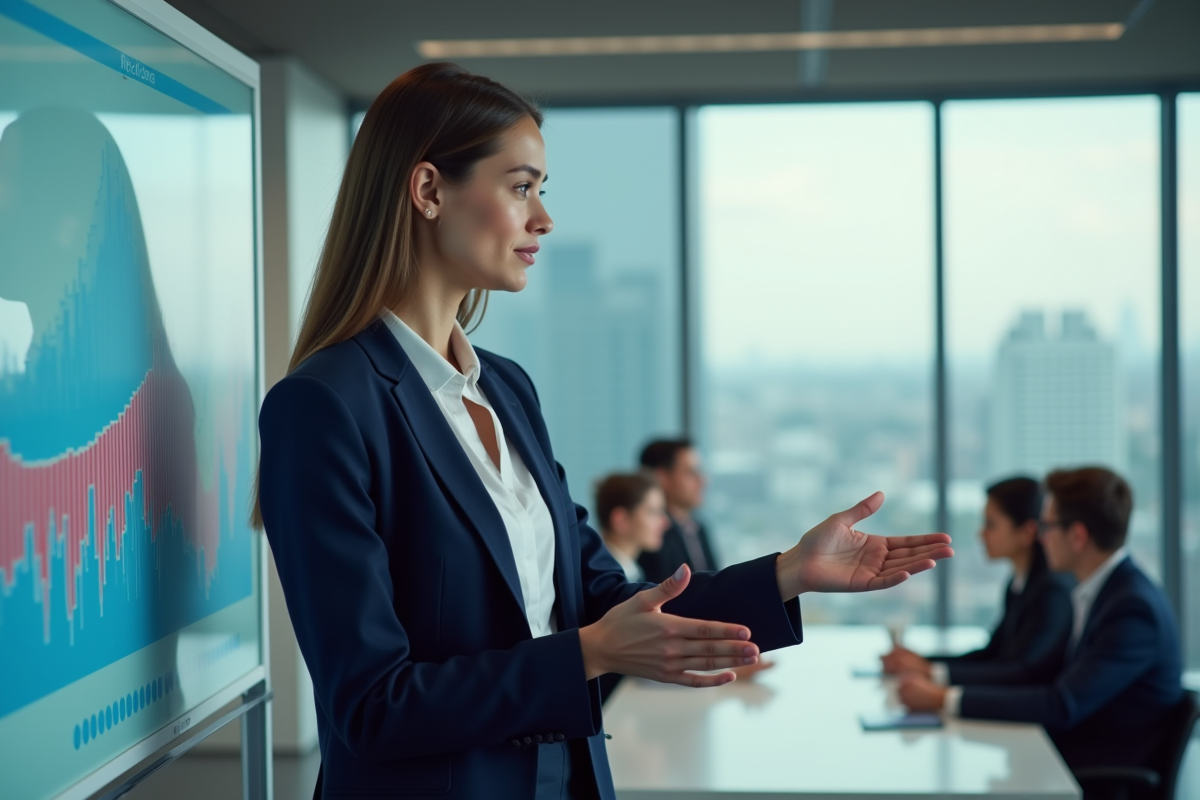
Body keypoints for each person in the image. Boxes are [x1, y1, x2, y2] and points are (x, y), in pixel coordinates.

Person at [255, 62, 954, 800]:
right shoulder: (325, 405)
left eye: (541, 191)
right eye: (521, 187)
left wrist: (787, 573)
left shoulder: (506, 390)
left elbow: (607, 603)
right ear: (429, 190)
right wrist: (585, 654)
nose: (544, 219)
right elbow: (369, 706)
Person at [898, 467, 1182, 776]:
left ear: (1077, 536)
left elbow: (1062, 704)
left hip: (1100, 770)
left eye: (1047, 526)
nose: (1041, 538)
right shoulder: (1102, 592)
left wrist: (944, 698)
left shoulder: (1131, 608)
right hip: (1071, 753)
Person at [881, 476, 1072, 685]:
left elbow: (1023, 672)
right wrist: (922, 661)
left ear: (1026, 532)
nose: (981, 533)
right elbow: (992, 653)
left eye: (991, 524)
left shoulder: (1051, 591)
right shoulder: (1019, 584)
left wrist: (933, 673)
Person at [637, 438, 719, 583]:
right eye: (691, 472)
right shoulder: (650, 535)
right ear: (662, 477)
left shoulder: (700, 528)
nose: (703, 480)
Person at [595, 473, 669, 582]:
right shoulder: (602, 578)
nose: (665, 522)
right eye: (653, 512)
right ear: (621, 520)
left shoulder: (632, 571)